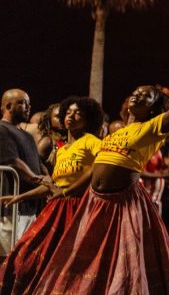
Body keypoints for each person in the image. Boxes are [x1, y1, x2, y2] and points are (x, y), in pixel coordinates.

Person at [34, 56, 169, 294]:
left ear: (153, 107)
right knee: (88, 263)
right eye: (135, 92)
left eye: (145, 95)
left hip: (122, 206)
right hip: (96, 204)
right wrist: (66, 191)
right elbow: (94, 171)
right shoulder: (114, 133)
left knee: (126, 269)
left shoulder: (153, 128)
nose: (137, 95)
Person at [0, 96, 104, 294]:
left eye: (78, 113)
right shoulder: (62, 150)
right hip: (58, 208)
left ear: (88, 119)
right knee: (27, 254)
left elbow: (101, 167)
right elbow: (53, 186)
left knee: (72, 264)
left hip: (80, 209)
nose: (71, 116)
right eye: (68, 112)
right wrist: (19, 197)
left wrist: (68, 191)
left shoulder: (91, 142)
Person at [0, 89, 47, 257]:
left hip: (29, 205)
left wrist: (46, 177)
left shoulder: (25, 135)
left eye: (28, 103)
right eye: (22, 103)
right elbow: (13, 161)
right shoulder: (2, 129)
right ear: (8, 106)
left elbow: (38, 162)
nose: (28, 107)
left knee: (24, 257)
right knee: (8, 256)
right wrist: (38, 180)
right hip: (12, 207)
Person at [35, 103, 66, 172]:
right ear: (49, 120)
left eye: (64, 116)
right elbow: (36, 162)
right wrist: (46, 176)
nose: (62, 119)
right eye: (58, 117)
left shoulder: (68, 140)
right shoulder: (47, 141)